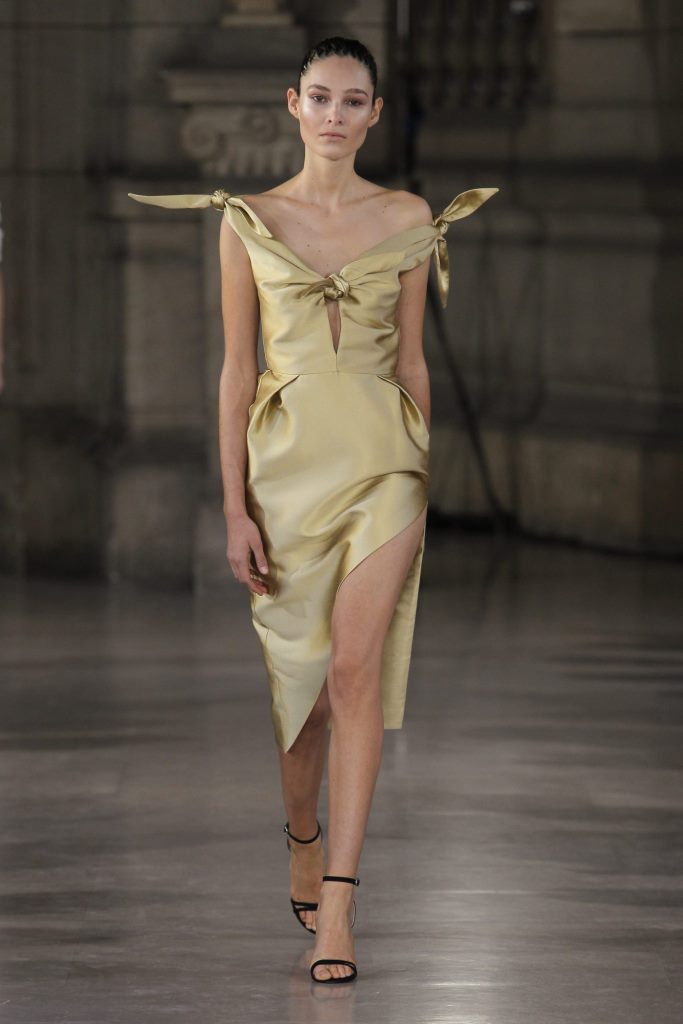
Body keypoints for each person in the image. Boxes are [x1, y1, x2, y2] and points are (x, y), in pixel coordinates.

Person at [129, 35, 498, 985]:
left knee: (354, 669)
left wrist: (420, 472)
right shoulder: (247, 220)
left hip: (384, 465)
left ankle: (339, 903)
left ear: (374, 114)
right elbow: (236, 371)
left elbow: (411, 363)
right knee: (303, 701)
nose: (335, 115)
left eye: (353, 100)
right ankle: (302, 831)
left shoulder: (407, 216)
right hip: (284, 472)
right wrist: (233, 508)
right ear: (293, 105)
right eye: (321, 97)